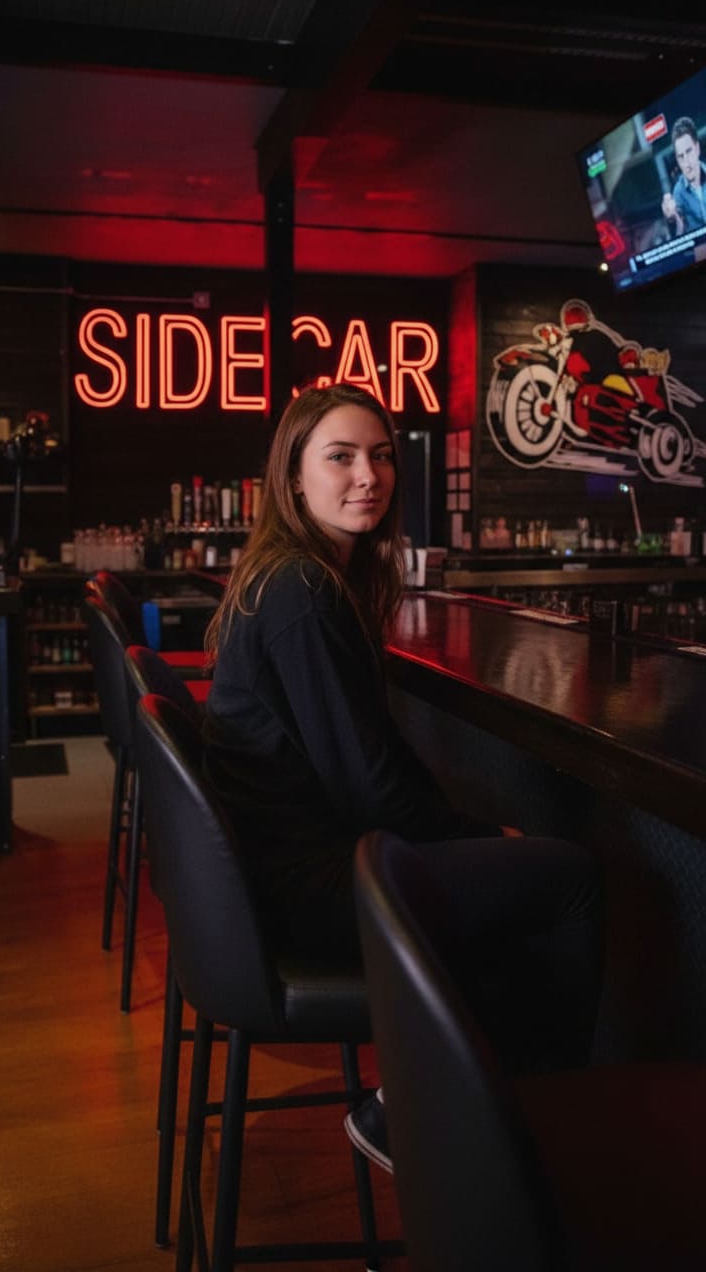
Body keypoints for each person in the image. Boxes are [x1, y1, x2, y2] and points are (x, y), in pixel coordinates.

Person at [201, 382, 605, 1173]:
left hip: (295, 870)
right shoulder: (303, 592)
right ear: (293, 478)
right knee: (573, 879)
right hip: (313, 888)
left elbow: (370, 764)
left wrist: (471, 839)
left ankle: (452, 1105)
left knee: (522, 888)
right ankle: (505, 1120)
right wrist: (486, 836)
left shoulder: (304, 578)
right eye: (341, 456)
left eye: (382, 456)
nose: (369, 476)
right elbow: (369, 790)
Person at [661, 115, 706, 236]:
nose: (686, 162)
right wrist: (672, 218)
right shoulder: (678, 192)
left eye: (689, 151)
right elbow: (680, 234)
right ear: (677, 159)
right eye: (681, 156)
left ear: (697, 149)